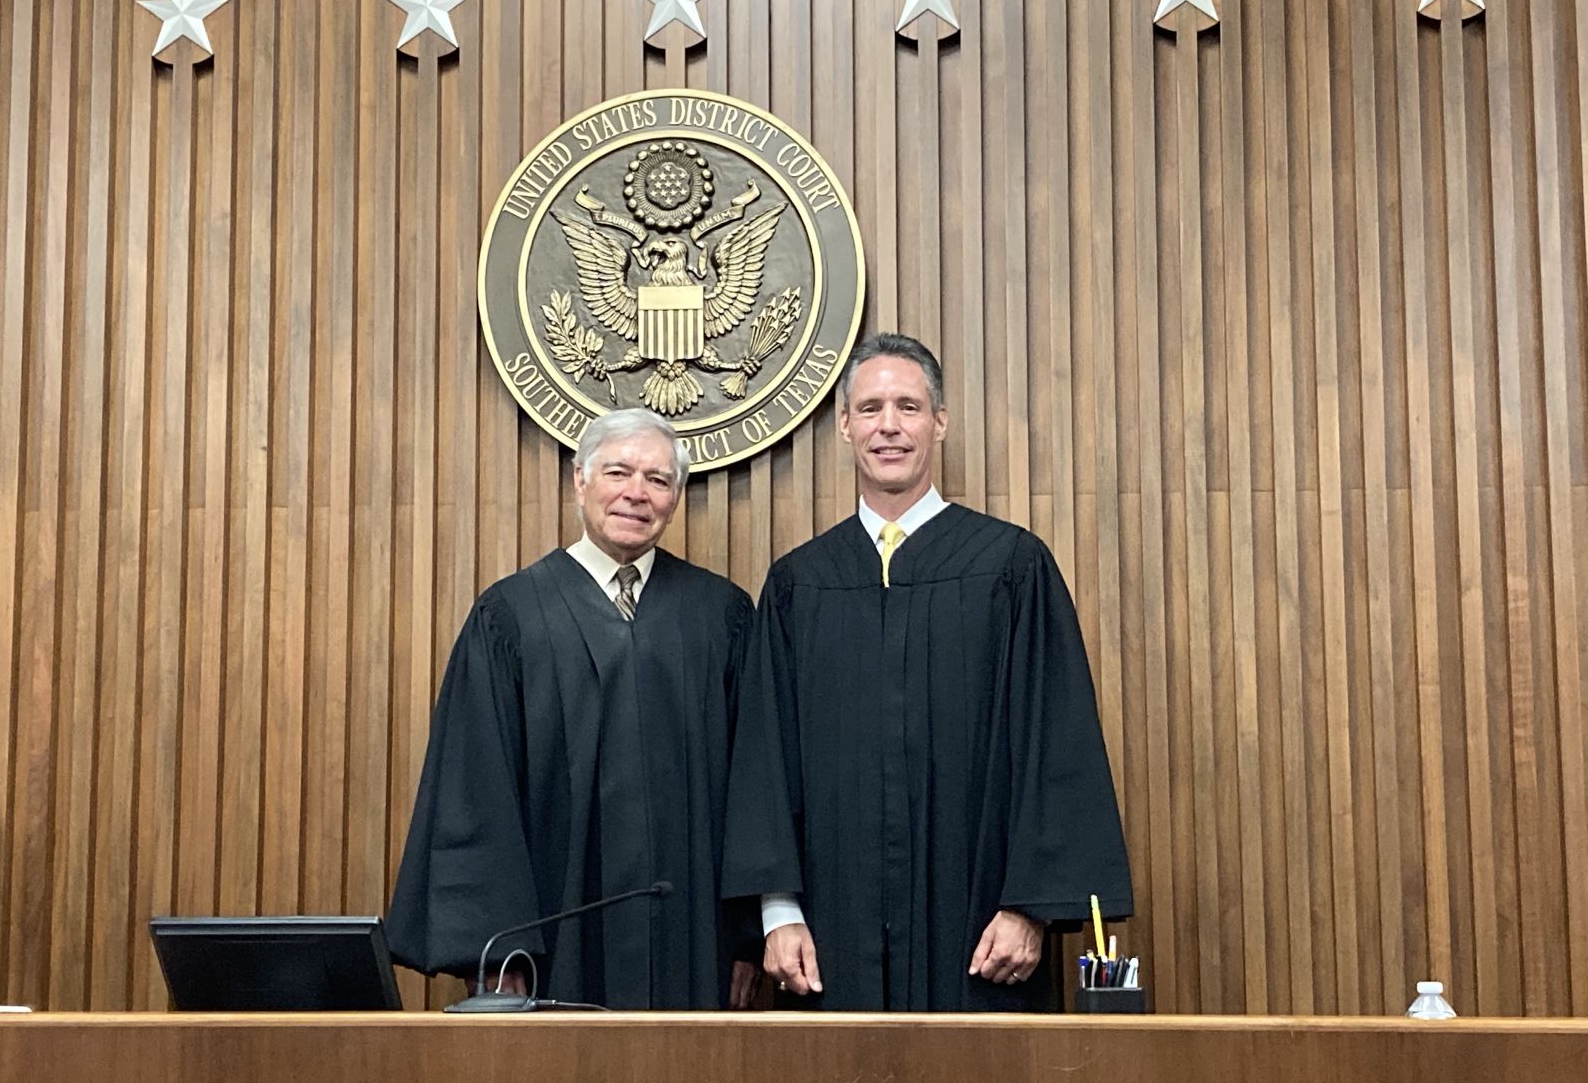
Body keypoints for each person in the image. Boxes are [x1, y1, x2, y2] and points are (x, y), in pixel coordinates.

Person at [722, 332, 1132, 1012]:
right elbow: (765, 759)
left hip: (983, 936)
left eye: (908, 406)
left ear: (939, 423)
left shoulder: (1011, 567)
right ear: (846, 425)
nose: (890, 425)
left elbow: (1054, 746)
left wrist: (1029, 908)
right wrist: (777, 913)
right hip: (830, 939)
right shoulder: (801, 584)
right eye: (872, 407)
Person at [388, 409, 759, 1009]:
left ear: (676, 499)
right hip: (551, 946)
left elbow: (753, 789)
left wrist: (746, 936)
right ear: (580, 479)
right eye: (618, 472)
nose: (636, 493)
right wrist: (494, 947)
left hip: (691, 942)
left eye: (658, 480)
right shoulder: (509, 617)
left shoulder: (721, 617)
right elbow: (474, 793)